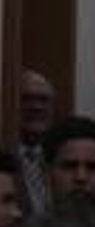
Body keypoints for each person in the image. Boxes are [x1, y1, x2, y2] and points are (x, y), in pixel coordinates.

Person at [12, 70, 55, 217]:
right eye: (26, 99)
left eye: (43, 100)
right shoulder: (4, 155)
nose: (36, 107)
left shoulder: (58, 157)